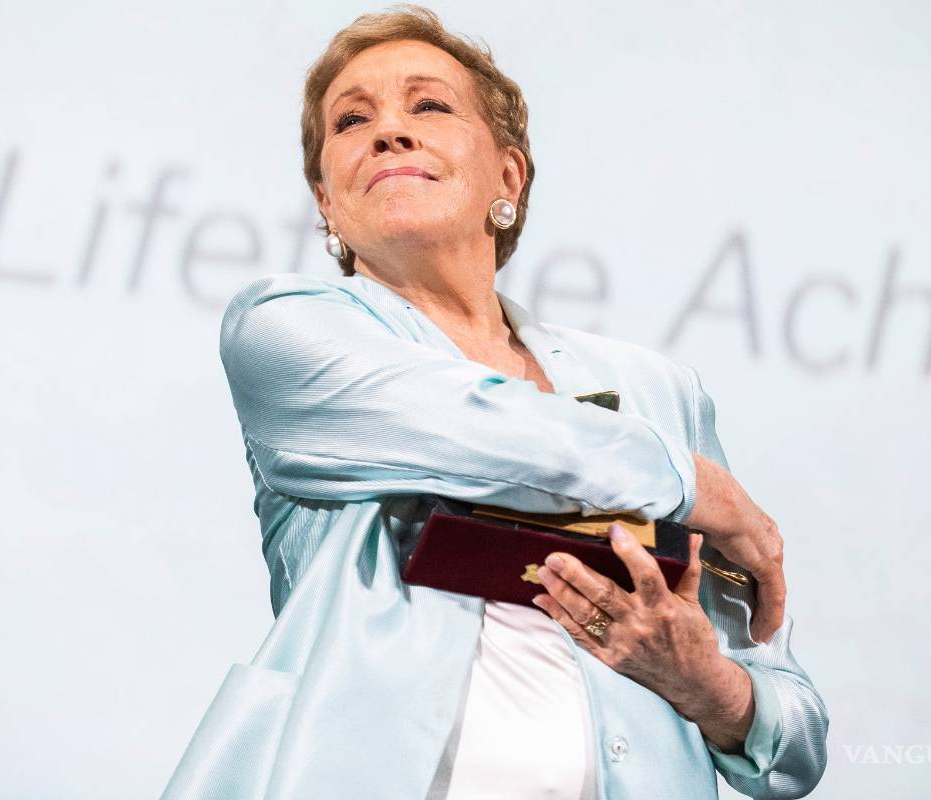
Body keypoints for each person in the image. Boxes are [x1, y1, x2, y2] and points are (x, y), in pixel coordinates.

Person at [161, 6, 828, 799]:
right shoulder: (286, 332)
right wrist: (699, 487)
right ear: (326, 203)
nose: (389, 132)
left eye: (429, 106)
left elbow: (795, 748)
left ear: (507, 178)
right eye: (352, 120)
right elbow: (482, 427)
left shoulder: (660, 392)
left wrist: (705, 684)